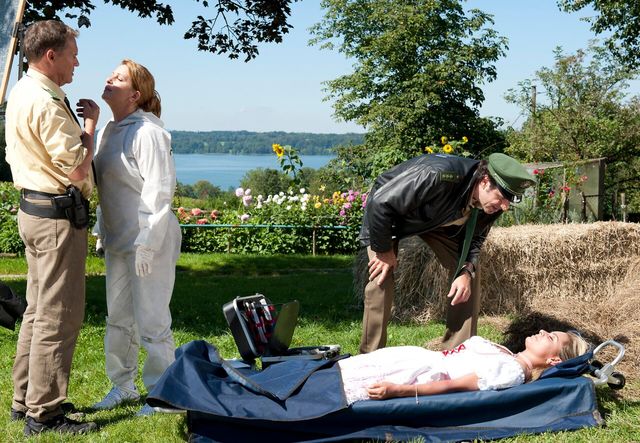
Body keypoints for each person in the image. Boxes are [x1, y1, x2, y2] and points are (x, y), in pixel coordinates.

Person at [4, 20, 100, 435]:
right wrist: (91, 127)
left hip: (35, 212)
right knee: (58, 317)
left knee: (37, 310)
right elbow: (77, 167)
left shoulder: (22, 91)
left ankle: (24, 399)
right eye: (72, 55)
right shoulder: (45, 103)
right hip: (57, 220)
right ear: (51, 55)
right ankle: (44, 414)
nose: (77, 63)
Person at [359, 152, 536, 354]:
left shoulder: (491, 205)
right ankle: (369, 354)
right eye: (502, 197)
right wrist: (384, 251)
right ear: (485, 181)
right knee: (381, 276)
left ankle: (458, 352)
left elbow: (476, 238)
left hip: (439, 221)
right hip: (387, 216)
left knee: (468, 276)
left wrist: (466, 271)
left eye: (510, 200)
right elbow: (380, 203)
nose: (504, 207)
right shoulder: (437, 175)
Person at [91, 59, 181, 416]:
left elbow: (159, 191)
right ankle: (123, 386)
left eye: (119, 77)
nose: (109, 78)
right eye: (111, 73)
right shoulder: (108, 131)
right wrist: (102, 229)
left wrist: (147, 242)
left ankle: (163, 395)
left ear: (135, 94)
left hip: (150, 240)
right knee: (118, 317)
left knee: (152, 319)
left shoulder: (148, 133)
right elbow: (108, 188)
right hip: (118, 239)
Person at [341, 330, 589, 404]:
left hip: (417, 374)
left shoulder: (511, 371)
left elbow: (454, 386)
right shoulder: (510, 357)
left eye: (551, 338)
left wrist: (398, 390)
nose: (543, 331)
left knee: (340, 389)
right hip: (413, 359)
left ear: (554, 360)